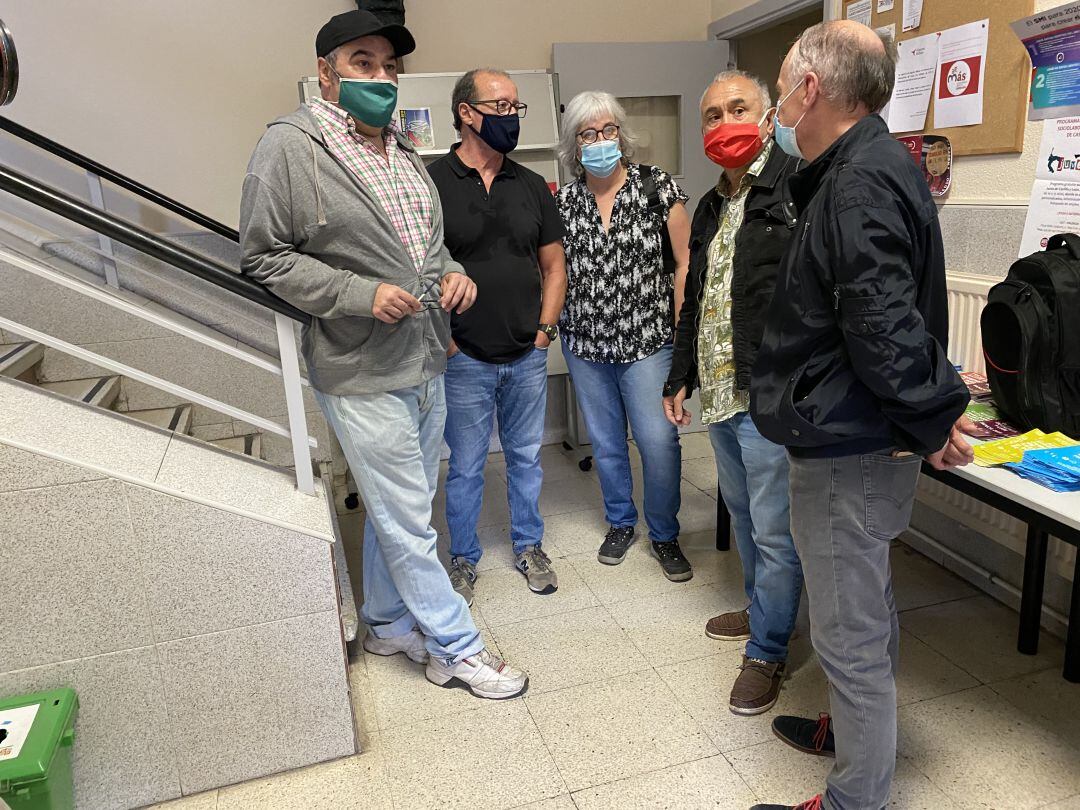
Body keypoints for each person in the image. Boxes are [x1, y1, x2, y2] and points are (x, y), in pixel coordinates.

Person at [239, 10, 528, 700]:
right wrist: (357, 294)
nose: (380, 77)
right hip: (359, 364)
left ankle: (387, 621)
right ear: (327, 73)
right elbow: (262, 257)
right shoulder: (290, 147)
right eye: (363, 62)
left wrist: (453, 272)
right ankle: (455, 647)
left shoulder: (402, 151)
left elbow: (425, 248)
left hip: (425, 356)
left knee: (402, 502)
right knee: (406, 513)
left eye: (389, 67)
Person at [747, 21, 974, 810]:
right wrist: (929, 411)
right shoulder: (866, 164)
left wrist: (932, 413)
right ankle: (853, 730)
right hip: (856, 435)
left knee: (849, 634)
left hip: (851, 449)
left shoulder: (856, 181)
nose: (776, 103)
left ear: (811, 89)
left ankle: (857, 799)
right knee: (864, 605)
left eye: (780, 84)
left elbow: (882, 321)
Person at [662, 70, 804, 717]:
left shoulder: (797, 189)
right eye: (712, 115)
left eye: (738, 109)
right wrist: (680, 373)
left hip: (769, 396)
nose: (724, 125)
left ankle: (769, 650)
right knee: (745, 518)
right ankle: (761, 610)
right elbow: (697, 297)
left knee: (775, 533)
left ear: (769, 117)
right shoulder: (713, 203)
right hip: (720, 393)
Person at [427, 68, 567, 605]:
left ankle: (529, 546)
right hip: (463, 355)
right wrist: (447, 341)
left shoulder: (531, 186)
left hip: (526, 354)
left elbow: (554, 267)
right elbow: (419, 269)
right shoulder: (432, 185)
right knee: (464, 466)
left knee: (526, 458)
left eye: (515, 107)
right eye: (500, 105)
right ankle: (463, 559)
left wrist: (543, 334)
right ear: (466, 112)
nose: (510, 116)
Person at [555, 91, 694, 582]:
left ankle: (664, 533)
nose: (599, 141)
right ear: (575, 143)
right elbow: (554, 271)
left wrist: (682, 337)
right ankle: (620, 522)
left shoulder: (657, 187)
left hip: (648, 342)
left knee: (658, 441)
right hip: (586, 343)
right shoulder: (564, 202)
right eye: (588, 134)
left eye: (607, 130)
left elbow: (684, 264)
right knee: (607, 443)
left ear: (621, 134)